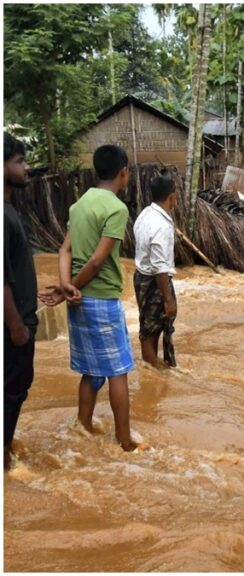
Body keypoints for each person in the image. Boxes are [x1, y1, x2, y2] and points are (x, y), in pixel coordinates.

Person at [57, 144, 137, 451]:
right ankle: (124, 441)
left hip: (78, 302)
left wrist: (66, 287)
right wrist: (72, 288)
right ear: (123, 172)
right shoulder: (116, 208)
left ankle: (84, 428)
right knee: (118, 371)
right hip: (101, 299)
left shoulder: (79, 205)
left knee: (90, 370)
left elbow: (64, 250)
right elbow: (96, 261)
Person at [4, 133, 62, 470]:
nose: (27, 168)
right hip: (13, 329)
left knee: (14, 391)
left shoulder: (10, 210)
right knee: (11, 393)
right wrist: (16, 327)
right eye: (20, 161)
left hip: (19, 322)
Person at [133, 173, 178, 368]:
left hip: (142, 277)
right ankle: (153, 370)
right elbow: (160, 267)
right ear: (171, 197)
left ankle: (152, 368)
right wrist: (168, 300)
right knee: (152, 330)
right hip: (155, 281)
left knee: (149, 327)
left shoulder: (145, 215)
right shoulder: (161, 224)